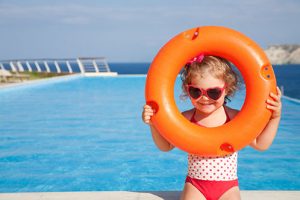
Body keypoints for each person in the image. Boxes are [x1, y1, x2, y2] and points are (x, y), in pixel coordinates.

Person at [142, 55, 282, 200]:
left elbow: (260, 144)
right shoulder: (186, 118)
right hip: (196, 185)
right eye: (196, 91)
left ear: (226, 89)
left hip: (228, 187)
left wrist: (274, 117)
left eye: (213, 92)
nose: (205, 98)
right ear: (187, 89)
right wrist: (153, 124)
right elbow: (166, 146)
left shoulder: (236, 118)